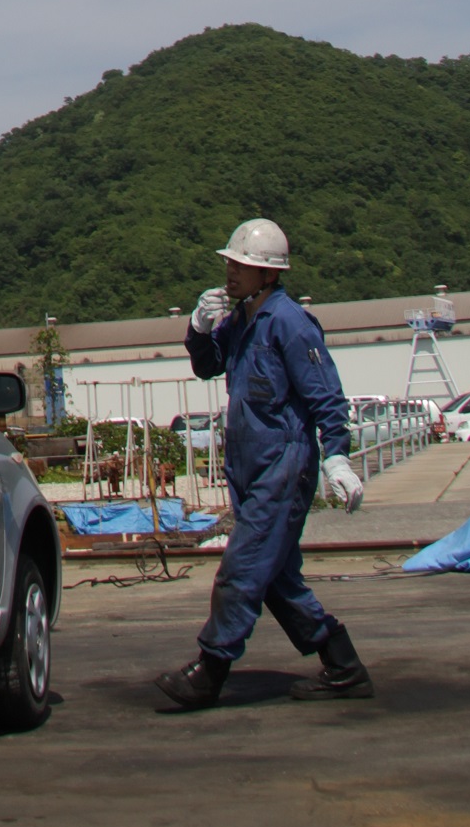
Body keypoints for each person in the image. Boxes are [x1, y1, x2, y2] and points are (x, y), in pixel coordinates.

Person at [156, 217, 374, 709]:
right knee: (275, 578)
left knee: (243, 568)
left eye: (243, 265)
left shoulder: (290, 323)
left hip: (283, 467)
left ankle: (209, 670)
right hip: (250, 470)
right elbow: (209, 364)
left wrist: (337, 455)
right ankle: (343, 666)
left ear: (269, 274)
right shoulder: (242, 320)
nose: (232, 272)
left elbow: (326, 396)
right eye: (231, 263)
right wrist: (198, 328)